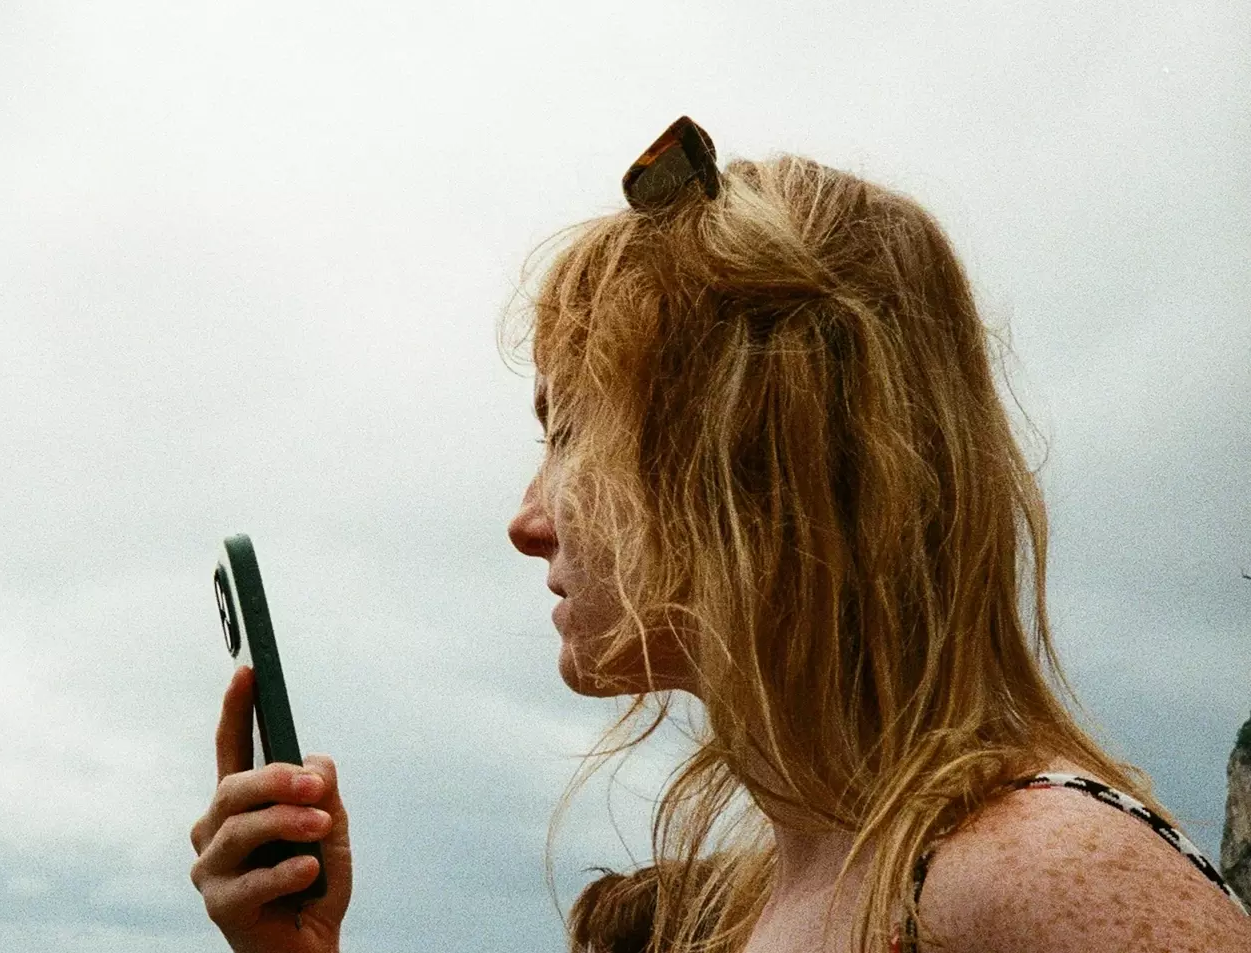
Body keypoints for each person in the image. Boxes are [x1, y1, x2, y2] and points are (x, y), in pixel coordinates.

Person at [188, 117, 1251, 953]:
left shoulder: (1030, 870)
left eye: (571, 430)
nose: (526, 518)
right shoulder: (771, 894)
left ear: (750, 455)